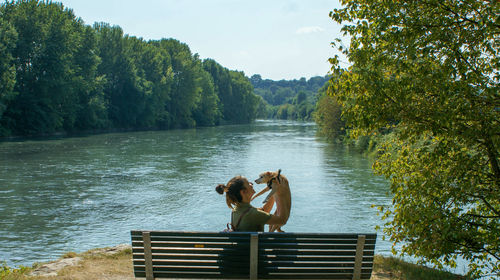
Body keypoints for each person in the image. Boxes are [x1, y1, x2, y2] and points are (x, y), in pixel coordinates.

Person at [215, 175, 287, 231]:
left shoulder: (237, 210)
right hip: (254, 250)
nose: (251, 183)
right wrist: (280, 192)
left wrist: (274, 192)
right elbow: (282, 220)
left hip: (244, 248)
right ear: (243, 192)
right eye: (248, 183)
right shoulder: (252, 214)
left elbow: (264, 211)